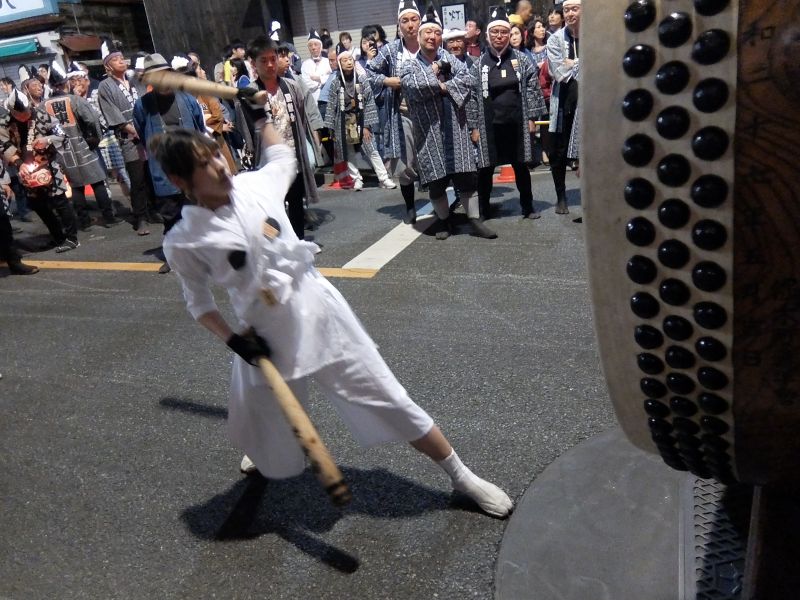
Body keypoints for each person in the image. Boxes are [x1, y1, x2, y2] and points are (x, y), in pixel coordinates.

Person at [156, 123, 513, 519]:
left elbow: (283, 156)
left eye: (216, 153)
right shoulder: (183, 239)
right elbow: (199, 304)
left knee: (388, 397)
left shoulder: (254, 185)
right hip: (263, 337)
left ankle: (462, 477)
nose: (220, 166)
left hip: (317, 312)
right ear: (180, 180)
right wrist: (235, 341)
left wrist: (261, 120)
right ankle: (266, 448)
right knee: (261, 410)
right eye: (204, 164)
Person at [402, 4, 495, 240]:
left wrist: (442, 87)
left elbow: (467, 82)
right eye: (427, 33)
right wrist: (435, 70)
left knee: (467, 178)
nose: (432, 37)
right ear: (419, 37)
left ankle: (474, 220)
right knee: (436, 181)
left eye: (436, 33)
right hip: (428, 132)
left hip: (457, 128)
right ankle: (444, 221)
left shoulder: (453, 60)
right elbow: (414, 87)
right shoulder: (409, 65)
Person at [471, 5, 547, 222]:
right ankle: (483, 209)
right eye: (495, 32)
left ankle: (528, 206)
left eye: (504, 32)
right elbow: (472, 97)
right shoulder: (478, 64)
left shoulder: (522, 60)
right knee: (485, 169)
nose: (499, 36)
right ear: (488, 36)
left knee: (521, 166)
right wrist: (474, 127)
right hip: (489, 124)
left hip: (517, 122)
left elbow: (532, 88)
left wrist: (532, 118)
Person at [133, 53, 206, 272]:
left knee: (196, 212)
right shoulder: (143, 105)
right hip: (163, 169)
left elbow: (200, 127)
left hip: (190, 165)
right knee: (171, 216)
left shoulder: (187, 99)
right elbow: (141, 131)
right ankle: (174, 256)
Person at [243, 35, 319, 240]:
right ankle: (274, 245)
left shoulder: (291, 87)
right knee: (270, 210)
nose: (270, 65)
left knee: (296, 204)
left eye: (273, 59)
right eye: (263, 60)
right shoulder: (249, 93)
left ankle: (297, 242)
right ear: (253, 63)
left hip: (293, 158)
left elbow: (301, 117)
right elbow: (246, 129)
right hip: (267, 163)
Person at [37, 68, 121, 230]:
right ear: (65, 84)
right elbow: (92, 119)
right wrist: (95, 139)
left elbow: (41, 130)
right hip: (83, 144)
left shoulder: (43, 106)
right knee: (97, 182)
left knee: (76, 186)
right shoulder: (75, 100)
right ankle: (109, 218)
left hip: (62, 150)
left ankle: (84, 221)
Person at [367, 0, 423, 224]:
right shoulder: (390, 50)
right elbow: (370, 72)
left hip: (431, 114)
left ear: (420, 22)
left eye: (414, 20)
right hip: (403, 114)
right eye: (405, 21)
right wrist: (387, 80)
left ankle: (442, 210)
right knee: (405, 165)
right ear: (399, 25)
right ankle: (410, 207)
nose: (410, 25)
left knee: (433, 161)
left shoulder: (430, 44)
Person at [97, 48, 158, 235]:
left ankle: (154, 210)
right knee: (137, 178)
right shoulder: (105, 86)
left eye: (122, 58)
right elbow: (112, 113)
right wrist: (132, 129)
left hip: (147, 130)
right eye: (116, 59)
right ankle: (140, 217)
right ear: (108, 66)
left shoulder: (134, 79)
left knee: (152, 174)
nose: (121, 61)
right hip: (128, 136)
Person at [324, 49, 396, 190]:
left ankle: (384, 178)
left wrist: (367, 125)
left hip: (361, 119)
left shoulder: (362, 80)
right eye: (345, 60)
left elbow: (369, 102)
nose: (349, 62)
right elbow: (331, 105)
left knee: (371, 149)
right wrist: (331, 127)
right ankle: (356, 179)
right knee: (349, 152)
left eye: (350, 59)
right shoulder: (335, 83)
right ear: (339, 64)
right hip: (343, 121)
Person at [547, 0, 580, 215]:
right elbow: (558, 72)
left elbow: (601, 65)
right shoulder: (555, 39)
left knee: (590, 152)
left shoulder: (593, 36)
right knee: (558, 153)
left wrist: (574, 63)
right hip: (563, 103)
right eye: (566, 10)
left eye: (574, 9)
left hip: (589, 104)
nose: (569, 13)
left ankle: (592, 196)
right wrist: (583, 64)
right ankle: (561, 196)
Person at [300, 30, 332, 104]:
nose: (313, 48)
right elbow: (307, 84)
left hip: (328, 100)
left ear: (321, 46)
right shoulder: (305, 64)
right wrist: (322, 81)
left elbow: (331, 80)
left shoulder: (328, 62)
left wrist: (318, 78)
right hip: (313, 101)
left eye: (316, 44)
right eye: (310, 45)